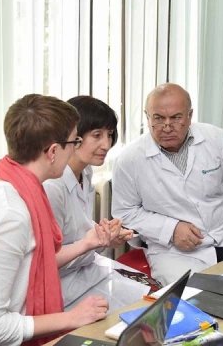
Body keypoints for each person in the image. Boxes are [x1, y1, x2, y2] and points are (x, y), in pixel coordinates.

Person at [0, 94, 111, 346]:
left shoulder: (12, 184)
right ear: (53, 152)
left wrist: (85, 243)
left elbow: (31, 261)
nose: (75, 148)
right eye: (74, 141)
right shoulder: (8, 215)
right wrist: (70, 318)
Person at [111, 83, 223, 285]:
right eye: (158, 118)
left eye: (176, 118)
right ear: (147, 117)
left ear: (190, 116)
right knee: (200, 298)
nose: (166, 127)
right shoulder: (129, 159)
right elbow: (125, 212)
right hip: (172, 252)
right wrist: (170, 229)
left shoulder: (215, 139)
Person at [44, 96, 150, 312]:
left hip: (85, 269)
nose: (107, 144)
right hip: (61, 283)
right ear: (73, 135)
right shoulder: (52, 186)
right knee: (138, 310)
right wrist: (95, 242)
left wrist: (106, 237)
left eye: (109, 135)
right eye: (97, 135)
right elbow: (45, 260)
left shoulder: (85, 170)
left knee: (153, 294)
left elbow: (77, 228)